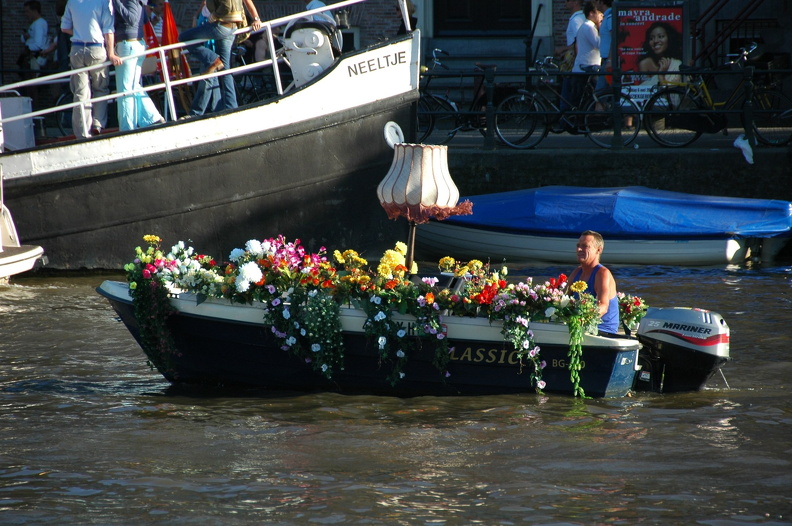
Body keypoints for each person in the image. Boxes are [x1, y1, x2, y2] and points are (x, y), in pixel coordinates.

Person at [178, 0, 263, 112]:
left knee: (184, 37)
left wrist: (215, 15)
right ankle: (231, 106)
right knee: (225, 70)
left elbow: (226, 6)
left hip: (220, 26)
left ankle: (212, 59)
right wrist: (256, 18)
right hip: (232, 28)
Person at [61, 0, 123, 138]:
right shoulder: (103, 2)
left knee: (81, 93)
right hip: (96, 48)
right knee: (100, 88)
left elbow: (64, 28)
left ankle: (82, 132)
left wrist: (78, 32)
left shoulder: (72, 2)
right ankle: (97, 124)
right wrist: (111, 53)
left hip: (76, 49)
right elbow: (108, 30)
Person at [113, 0, 165, 130]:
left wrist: (116, 2)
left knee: (125, 90)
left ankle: (126, 129)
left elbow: (131, 19)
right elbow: (145, 20)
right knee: (133, 85)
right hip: (136, 44)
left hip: (128, 45)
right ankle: (153, 117)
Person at [569, 230, 619, 335]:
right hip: (580, 329)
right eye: (578, 245)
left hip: (603, 331)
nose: (579, 249)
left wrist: (581, 320)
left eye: (585, 246)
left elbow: (603, 307)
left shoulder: (602, 273)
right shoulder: (576, 272)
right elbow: (564, 299)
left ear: (598, 250)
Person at [567, 2, 601, 112]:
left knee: (580, 98)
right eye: (599, 14)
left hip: (585, 66)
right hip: (587, 67)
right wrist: (602, 29)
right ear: (591, 13)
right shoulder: (588, 27)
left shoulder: (587, 26)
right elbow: (599, 44)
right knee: (583, 98)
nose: (602, 16)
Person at [556, 0, 584, 112]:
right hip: (577, 61)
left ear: (575, 2)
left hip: (573, 63)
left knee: (566, 93)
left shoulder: (576, 20)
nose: (565, 3)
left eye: (568, 0)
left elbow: (579, 42)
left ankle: (565, 121)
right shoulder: (580, 17)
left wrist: (561, 49)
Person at [638, 21, 683, 86]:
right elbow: (643, 91)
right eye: (651, 38)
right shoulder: (644, 63)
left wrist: (661, 75)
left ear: (669, 39)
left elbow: (672, 93)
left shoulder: (677, 64)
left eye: (661, 36)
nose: (655, 41)